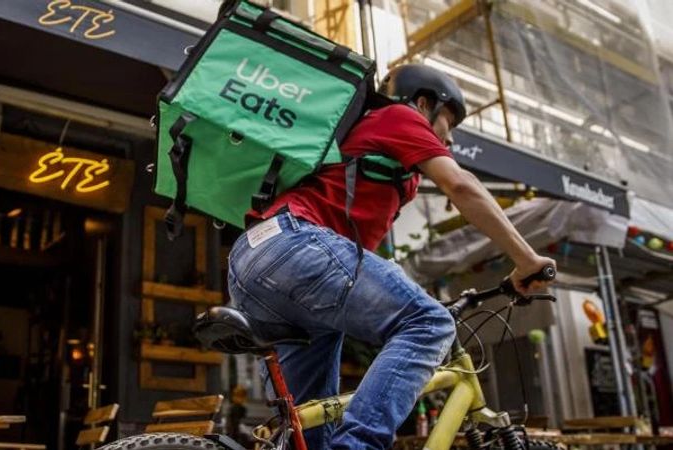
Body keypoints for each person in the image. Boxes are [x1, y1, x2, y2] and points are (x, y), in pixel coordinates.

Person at [226, 64, 556, 450]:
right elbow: (462, 186)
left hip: (254, 258)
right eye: (448, 122)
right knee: (429, 322)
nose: (448, 139)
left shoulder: (373, 147)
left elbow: (358, 250)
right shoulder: (400, 116)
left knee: (311, 433)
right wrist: (527, 259)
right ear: (423, 103)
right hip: (293, 246)